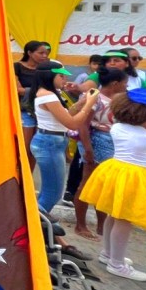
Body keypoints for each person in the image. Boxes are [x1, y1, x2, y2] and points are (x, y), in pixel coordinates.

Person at [79, 90, 146, 282]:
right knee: (124, 220)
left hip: (115, 170)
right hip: (135, 176)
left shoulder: (117, 128)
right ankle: (117, 264)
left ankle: (108, 253)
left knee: (114, 214)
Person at [25, 63, 98, 214]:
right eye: (61, 76)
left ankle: (37, 224)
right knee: (53, 193)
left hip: (50, 141)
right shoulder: (48, 95)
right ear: (49, 76)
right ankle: (37, 226)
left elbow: (66, 115)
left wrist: (81, 103)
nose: (65, 79)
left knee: (49, 191)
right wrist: (89, 104)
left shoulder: (46, 93)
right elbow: (72, 123)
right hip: (50, 142)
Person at [72, 68, 127, 240]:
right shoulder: (95, 98)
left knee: (104, 186)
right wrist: (88, 149)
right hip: (95, 140)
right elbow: (83, 125)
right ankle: (80, 225)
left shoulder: (115, 99)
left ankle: (101, 225)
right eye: (124, 82)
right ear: (115, 83)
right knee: (87, 182)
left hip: (108, 142)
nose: (126, 86)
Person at [14, 41, 49, 169]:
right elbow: (18, 90)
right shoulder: (17, 67)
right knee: (24, 147)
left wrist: (30, 90)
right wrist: (39, 91)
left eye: (46, 53)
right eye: (41, 53)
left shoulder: (44, 69)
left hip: (41, 111)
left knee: (35, 149)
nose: (44, 56)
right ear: (29, 53)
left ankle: (29, 177)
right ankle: (19, 175)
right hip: (24, 111)